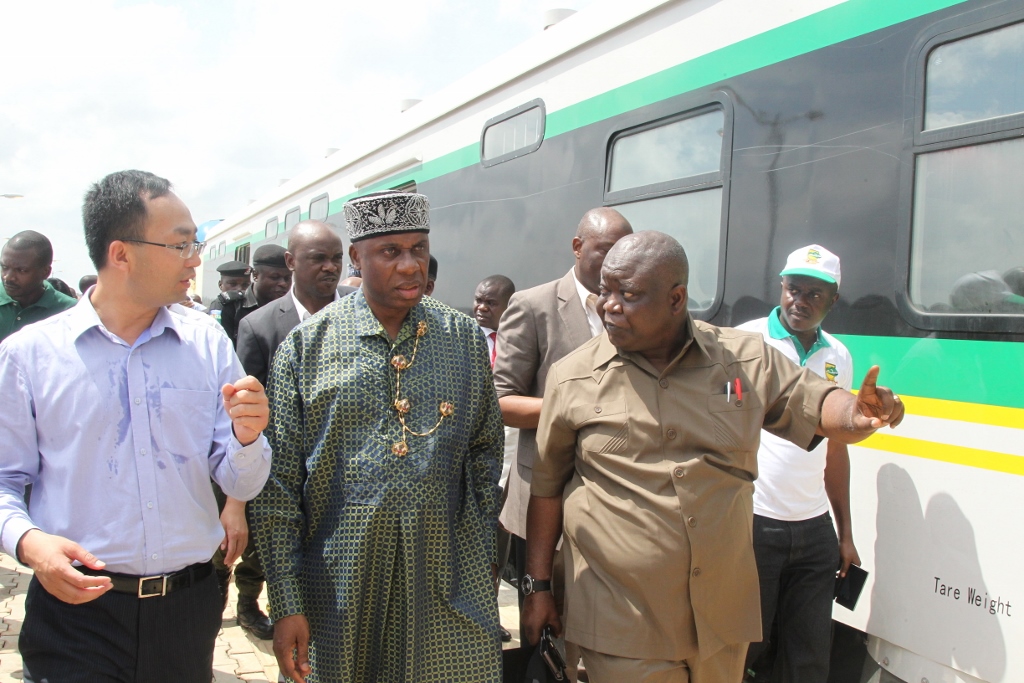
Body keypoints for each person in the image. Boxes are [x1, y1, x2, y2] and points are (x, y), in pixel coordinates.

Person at [521, 231, 904, 683]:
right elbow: (546, 491)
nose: (609, 306)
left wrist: (857, 414)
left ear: (676, 298)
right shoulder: (572, 378)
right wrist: (538, 587)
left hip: (721, 624)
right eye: (605, 291)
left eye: (628, 294)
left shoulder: (742, 361)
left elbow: (817, 403)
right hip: (621, 624)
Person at [0, 169, 272, 683]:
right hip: (76, 612)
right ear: (120, 253)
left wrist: (247, 438)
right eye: (181, 244)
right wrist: (31, 545)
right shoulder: (29, 358)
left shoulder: (208, 346)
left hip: (186, 612)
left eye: (197, 242)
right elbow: (4, 480)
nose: (196, 259)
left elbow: (241, 482)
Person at [252, 191, 504, 683]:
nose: (411, 265)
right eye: (391, 252)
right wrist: (285, 600)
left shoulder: (463, 340)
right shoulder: (307, 348)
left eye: (419, 249)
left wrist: (475, 556)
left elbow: (484, 453)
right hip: (336, 591)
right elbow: (278, 484)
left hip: (444, 585)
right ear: (357, 258)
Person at [736, 245, 860, 682]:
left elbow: (836, 449)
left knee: (808, 656)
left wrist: (844, 534)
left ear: (833, 300)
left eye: (813, 294)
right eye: (792, 289)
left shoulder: (838, 357)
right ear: (781, 288)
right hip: (755, 522)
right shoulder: (747, 341)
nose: (799, 301)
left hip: (813, 531)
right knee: (747, 650)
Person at [493, 207, 632, 589]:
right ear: (577, 246)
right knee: (544, 624)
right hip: (545, 497)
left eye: (625, 250)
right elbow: (502, 402)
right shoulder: (534, 306)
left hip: (615, 502)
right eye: (606, 249)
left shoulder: (637, 310)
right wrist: (581, 408)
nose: (617, 261)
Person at [236, 220, 356, 387]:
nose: (330, 267)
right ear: (291, 262)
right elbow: (251, 402)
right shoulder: (258, 328)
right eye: (318, 258)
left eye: (337, 258)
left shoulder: (362, 305)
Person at [472, 274, 517, 642]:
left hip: (508, 461)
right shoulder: (464, 340)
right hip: (468, 462)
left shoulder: (519, 345)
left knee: (498, 544)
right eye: (479, 301)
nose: (481, 308)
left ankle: (488, 613)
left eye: (491, 303)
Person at [0, 230, 77, 343]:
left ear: (45, 272)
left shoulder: (71, 313)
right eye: (4, 267)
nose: (8, 277)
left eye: (21, 270)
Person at [217, 244, 291, 346]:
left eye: (287, 278)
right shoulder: (231, 307)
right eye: (275, 277)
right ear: (256, 276)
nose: (283, 283)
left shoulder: (291, 308)